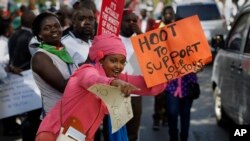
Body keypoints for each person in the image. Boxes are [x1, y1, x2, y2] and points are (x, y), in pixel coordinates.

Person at [35, 34, 167, 141]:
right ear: (101, 59)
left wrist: (166, 73)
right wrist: (114, 83)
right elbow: (93, 80)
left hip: (81, 137)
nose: (119, 66)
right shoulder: (86, 70)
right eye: (113, 60)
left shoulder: (118, 77)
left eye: (122, 62)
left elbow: (146, 86)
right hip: (54, 134)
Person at [161, 5, 199, 141]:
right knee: (171, 113)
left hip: (188, 85)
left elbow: (200, 62)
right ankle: (173, 137)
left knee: (185, 114)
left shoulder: (191, 45)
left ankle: (184, 137)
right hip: (171, 87)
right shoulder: (166, 44)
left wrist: (198, 66)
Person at [31, 12, 77, 115]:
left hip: (74, 112)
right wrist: (88, 65)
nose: (54, 30)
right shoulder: (40, 57)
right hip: (57, 117)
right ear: (39, 34)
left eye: (57, 26)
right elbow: (63, 86)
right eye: (47, 28)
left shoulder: (64, 50)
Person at [7, 9, 42, 141]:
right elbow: (39, 59)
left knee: (25, 117)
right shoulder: (32, 40)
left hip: (15, 83)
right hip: (29, 83)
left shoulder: (13, 36)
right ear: (33, 23)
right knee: (33, 117)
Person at [151, 5, 177, 131]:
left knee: (169, 94)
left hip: (173, 69)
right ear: (163, 15)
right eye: (166, 13)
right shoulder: (156, 27)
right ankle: (156, 118)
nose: (168, 15)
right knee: (159, 96)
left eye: (170, 13)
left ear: (173, 15)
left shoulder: (177, 28)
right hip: (159, 68)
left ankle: (166, 117)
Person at [119, 9, 143, 141]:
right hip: (116, 93)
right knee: (116, 133)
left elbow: (152, 55)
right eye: (128, 21)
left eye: (135, 21)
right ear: (120, 23)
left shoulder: (139, 39)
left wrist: (140, 34)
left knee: (132, 133)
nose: (132, 23)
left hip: (136, 94)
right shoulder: (114, 39)